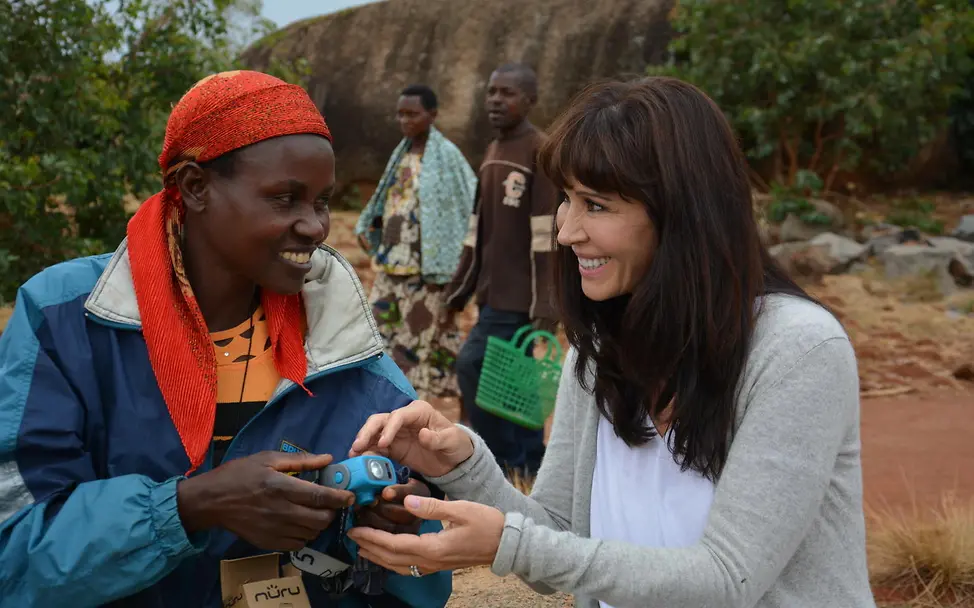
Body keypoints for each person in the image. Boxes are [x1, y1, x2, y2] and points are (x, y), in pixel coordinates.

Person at [344, 78, 875, 608]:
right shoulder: (598, 353)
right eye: (567, 200)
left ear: (681, 212)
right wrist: (459, 466)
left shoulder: (797, 351)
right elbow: (557, 540)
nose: (566, 231)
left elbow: (726, 579)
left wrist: (512, 544)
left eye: (595, 205)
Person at [0, 71, 450, 607]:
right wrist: (188, 507)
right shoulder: (67, 319)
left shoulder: (340, 335)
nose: (315, 226)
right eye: (285, 199)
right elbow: (14, 555)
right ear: (195, 187)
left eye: (322, 202)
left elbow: (424, 577)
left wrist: (406, 526)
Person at [444, 63, 560, 477]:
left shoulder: (539, 151)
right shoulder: (494, 150)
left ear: (529, 100)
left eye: (507, 93)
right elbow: (476, 232)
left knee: (473, 364)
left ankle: (502, 459)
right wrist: (459, 289)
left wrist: (547, 298)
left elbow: (547, 232)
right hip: (491, 292)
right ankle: (529, 461)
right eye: (491, 91)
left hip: (518, 296)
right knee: (518, 380)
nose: (495, 100)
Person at [355, 84, 476, 402]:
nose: (404, 120)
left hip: (426, 272)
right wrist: (370, 226)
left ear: (432, 115)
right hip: (391, 264)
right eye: (400, 114)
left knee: (413, 345)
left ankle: (403, 410)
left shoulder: (448, 157)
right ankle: (378, 404)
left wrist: (457, 262)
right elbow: (387, 200)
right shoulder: (402, 153)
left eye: (412, 114)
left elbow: (467, 202)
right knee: (378, 337)